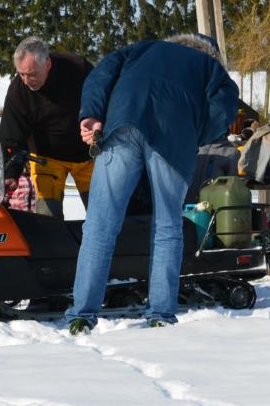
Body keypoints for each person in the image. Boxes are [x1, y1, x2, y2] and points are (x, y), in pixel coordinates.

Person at [65, 33, 238, 333]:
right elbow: (224, 108)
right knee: (167, 226)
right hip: (174, 136)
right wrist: (196, 134)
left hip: (123, 122)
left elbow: (101, 73)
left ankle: (82, 313)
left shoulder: (142, 49)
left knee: (100, 224)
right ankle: (160, 314)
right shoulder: (210, 67)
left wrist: (91, 113)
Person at [0, 37, 94, 218]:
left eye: (32, 74)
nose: (26, 80)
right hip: (47, 160)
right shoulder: (18, 90)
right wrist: (10, 172)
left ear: (48, 64)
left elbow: (105, 101)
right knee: (47, 218)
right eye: (21, 74)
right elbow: (11, 137)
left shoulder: (79, 69)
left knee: (102, 216)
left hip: (88, 157)